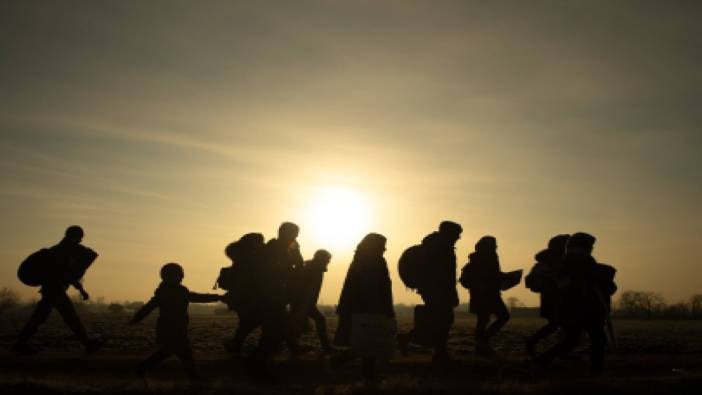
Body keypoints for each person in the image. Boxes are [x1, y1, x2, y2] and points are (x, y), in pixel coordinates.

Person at [533, 232, 617, 376]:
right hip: (587, 308)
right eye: (590, 246)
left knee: (570, 341)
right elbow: (609, 287)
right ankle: (595, 373)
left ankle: (538, 362)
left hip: (567, 309)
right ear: (586, 247)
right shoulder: (586, 262)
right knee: (597, 340)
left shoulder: (563, 263)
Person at [13, 226, 103, 354]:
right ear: (76, 236)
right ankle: (88, 344)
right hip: (55, 289)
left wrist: (80, 289)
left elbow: (66, 273)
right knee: (69, 316)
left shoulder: (60, 249)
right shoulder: (64, 251)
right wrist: (81, 289)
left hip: (51, 289)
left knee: (40, 316)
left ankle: (20, 344)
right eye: (80, 237)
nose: (81, 240)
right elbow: (67, 273)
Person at [129, 263, 223, 381]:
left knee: (169, 352)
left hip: (170, 329)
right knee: (183, 354)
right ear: (172, 276)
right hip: (173, 330)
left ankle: (142, 368)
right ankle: (195, 380)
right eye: (180, 275)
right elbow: (197, 297)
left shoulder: (165, 292)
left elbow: (148, 307)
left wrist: (136, 319)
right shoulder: (177, 292)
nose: (182, 277)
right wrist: (218, 297)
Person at [398, 221, 462, 365]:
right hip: (436, 290)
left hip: (432, 290)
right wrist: (451, 293)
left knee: (440, 320)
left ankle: (414, 341)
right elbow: (445, 275)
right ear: (449, 233)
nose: (458, 237)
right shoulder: (441, 249)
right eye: (457, 234)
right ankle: (438, 352)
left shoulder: (435, 246)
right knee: (443, 320)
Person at [335, 233, 395, 380]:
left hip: (360, 308)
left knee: (365, 343)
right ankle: (366, 375)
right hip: (368, 309)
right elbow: (374, 287)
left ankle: (362, 372)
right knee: (369, 343)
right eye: (382, 246)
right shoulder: (373, 261)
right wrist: (381, 309)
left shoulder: (361, 259)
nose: (384, 249)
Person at [524, 234, 570, 356]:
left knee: (559, 326)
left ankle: (560, 351)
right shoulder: (547, 264)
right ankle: (534, 343)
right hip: (553, 299)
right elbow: (533, 281)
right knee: (559, 325)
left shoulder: (549, 262)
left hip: (557, 299)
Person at [466, 236, 510, 356]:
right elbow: (488, 275)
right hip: (487, 294)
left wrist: (503, 276)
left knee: (483, 320)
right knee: (502, 316)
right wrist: (504, 277)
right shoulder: (486, 258)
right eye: (494, 244)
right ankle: (483, 342)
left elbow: (491, 274)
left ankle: (481, 346)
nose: (496, 246)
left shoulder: (479, 257)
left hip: (483, 294)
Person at [296, 249, 334, 353]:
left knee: (295, 326)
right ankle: (325, 348)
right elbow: (306, 289)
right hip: (304, 303)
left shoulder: (314, 268)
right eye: (327, 260)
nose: (328, 262)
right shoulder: (312, 270)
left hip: (306, 303)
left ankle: (293, 346)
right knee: (318, 320)